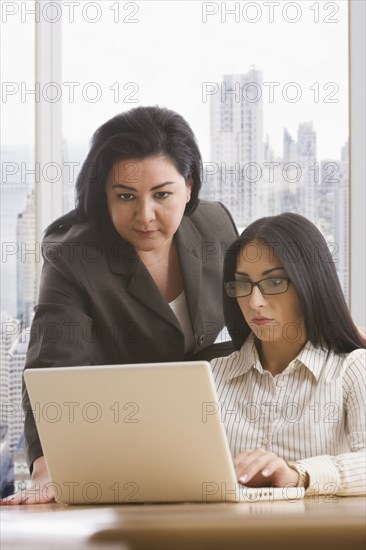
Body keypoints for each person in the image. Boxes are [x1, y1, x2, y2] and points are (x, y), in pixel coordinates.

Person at [3, 106, 238, 504]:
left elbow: (257, 312)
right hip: (122, 434)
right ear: (104, 195)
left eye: (162, 194)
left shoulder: (215, 224)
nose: (145, 215)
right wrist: (47, 466)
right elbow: (54, 369)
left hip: (219, 425)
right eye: (125, 196)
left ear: (190, 186)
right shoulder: (75, 255)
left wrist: (332, 331)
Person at [211, 212, 365, 496]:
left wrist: (298, 474)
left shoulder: (352, 368)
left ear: (310, 284)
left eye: (273, 283)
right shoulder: (211, 376)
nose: (255, 302)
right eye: (243, 284)